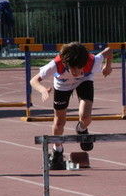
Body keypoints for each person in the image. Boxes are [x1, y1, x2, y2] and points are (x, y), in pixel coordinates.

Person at [30, 42, 113, 170]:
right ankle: (57, 150)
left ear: (84, 64)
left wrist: (108, 66)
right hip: (62, 85)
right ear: (66, 63)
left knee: (85, 117)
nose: (75, 71)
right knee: (59, 122)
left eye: (79, 68)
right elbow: (34, 80)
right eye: (72, 68)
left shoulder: (92, 61)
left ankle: (81, 129)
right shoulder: (56, 64)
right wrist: (42, 90)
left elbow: (109, 51)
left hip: (84, 81)